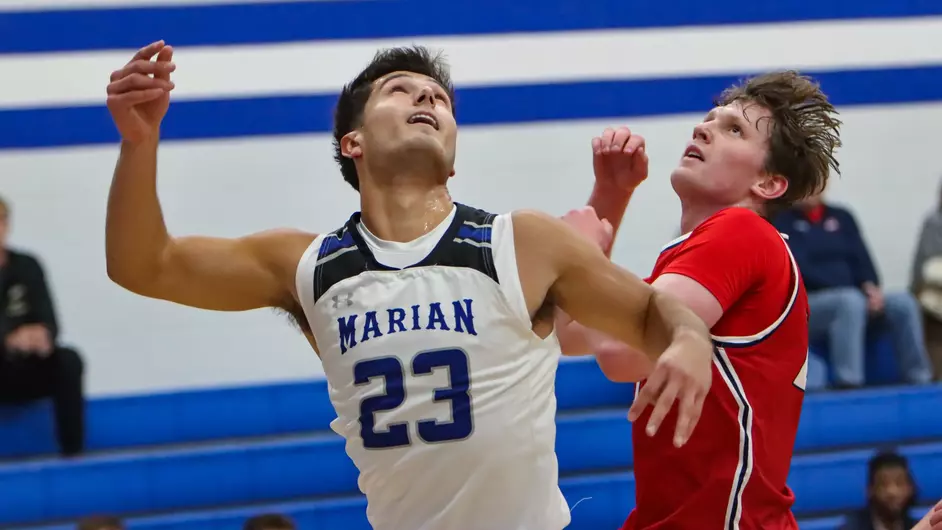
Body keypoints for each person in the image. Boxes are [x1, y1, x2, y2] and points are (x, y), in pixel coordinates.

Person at [103, 41, 714, 530]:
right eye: (401, 90)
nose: (426, 95)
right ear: (354, 143)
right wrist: (138, 143)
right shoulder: (306, 265)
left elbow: (654, 314)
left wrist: (687, 342)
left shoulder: (522, 241)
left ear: (452, 155)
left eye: (439, 98)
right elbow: (143, 265)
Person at [557, 71, 842, 529]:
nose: (703, 127)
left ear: (768, 184)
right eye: (709, 118)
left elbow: (622, 352)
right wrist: (611, 193)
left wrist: (580, 252)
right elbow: (570, 332)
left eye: (734, 129)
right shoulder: (695, 254)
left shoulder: (741, 232)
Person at [774, 192, 933, 388]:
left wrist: (870, 286)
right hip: (810, 304)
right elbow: (799, 270)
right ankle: (849, 381)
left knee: (903, 302)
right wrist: (854, 292)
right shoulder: (782, 221)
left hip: (854, 296)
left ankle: (920, 378)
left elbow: (863, 259)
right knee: (849, 301)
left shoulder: (843, 217)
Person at [0, 195, 86, 457]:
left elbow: (50, 318)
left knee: (69, 360)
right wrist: (9, 339)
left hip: (26, 364)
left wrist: (42, 335)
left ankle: (73, 454)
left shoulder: (28, 265)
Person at [841, 451, 919, 530]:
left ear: (910, 488)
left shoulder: (919, 527)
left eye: (899, 483)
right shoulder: (852, 527)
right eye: (883, 484)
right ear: (870, 490)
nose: (892, 492)